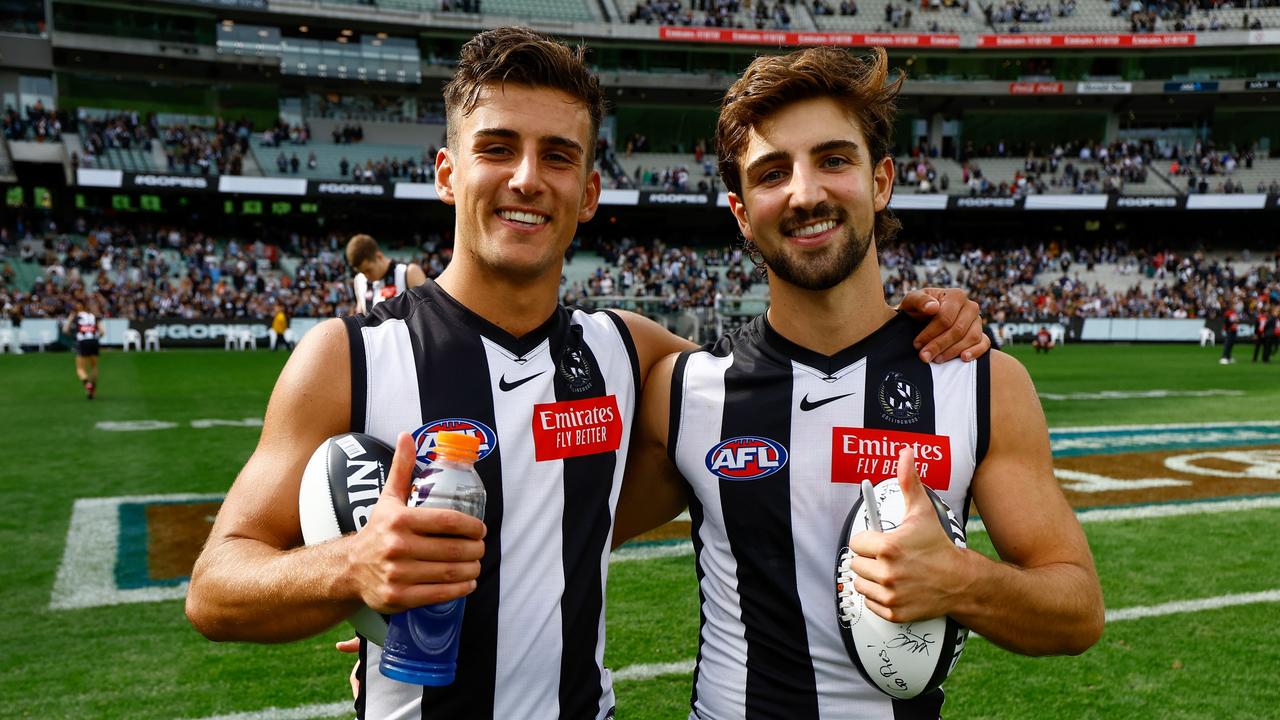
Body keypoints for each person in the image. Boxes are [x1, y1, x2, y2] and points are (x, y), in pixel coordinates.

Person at [185, 28, 989, 720]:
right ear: (445, 172)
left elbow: (772, 380)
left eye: (558, 156)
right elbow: (216, 588)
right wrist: (351, 567)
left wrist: (929, 319)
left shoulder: (624, 351)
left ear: (591, 190)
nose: (527, 178)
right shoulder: (346, 357)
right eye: (496, 148)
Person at [615, 47, 1103, 718]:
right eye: (772, 172)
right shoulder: (685, 393)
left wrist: (960, 581)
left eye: (834, 160)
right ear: (739, 210)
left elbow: (1077, 610)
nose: (806, 193)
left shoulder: (979, 381)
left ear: (880, 181)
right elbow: (558, 533)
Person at [345, 233, 428, 314]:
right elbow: (362, 314)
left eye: (368, 270)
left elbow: (428, 313)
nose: (366, 276)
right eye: (362, 272)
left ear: (379, 256)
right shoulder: (359, 280)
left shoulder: (408, 272)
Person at [64, 302, 102, 399]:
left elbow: (65, 330)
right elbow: (102, 332)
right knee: (94, 367)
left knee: (80, 368)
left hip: (82, 342)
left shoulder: (76, 317)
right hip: (94, 341)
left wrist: (70, 319)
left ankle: (87, 385)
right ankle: (93, 389)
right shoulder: (94, 316)